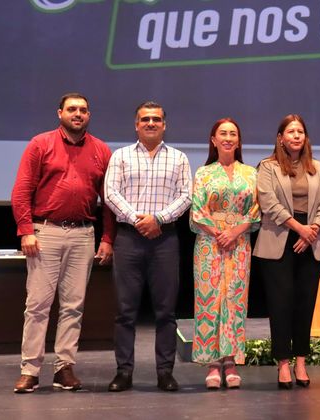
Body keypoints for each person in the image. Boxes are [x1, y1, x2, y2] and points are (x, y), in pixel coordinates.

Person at [10, 92, 115, 393]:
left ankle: (64, 368)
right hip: (46, 232)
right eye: (72, 109)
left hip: (83, 234)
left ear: (89, 116)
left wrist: (107, 238)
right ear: (60, 113)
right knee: (38, 305)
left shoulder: (101, 151)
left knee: (73, 306)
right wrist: (26, 230)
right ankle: (30, 370)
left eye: (83, 110)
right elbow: (21, 191)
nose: (78, 114)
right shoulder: (40, 144)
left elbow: (108, 202)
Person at [103, 101, 192, 392]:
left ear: (164, 124)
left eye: (156, 119)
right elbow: (110, 193)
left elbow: (186, 196)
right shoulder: (121, 156)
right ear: (136, 124)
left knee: (165, 312)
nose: (150, 123)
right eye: (145, 119)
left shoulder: (178, 158)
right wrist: (137, 219)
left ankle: (165, 372)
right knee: (125, 312)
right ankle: (123, 372)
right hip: (128, 238)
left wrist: (159, 219)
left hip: (165, 238)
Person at [253, 114, 320, 389]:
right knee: (281, 305)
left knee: (305, 304)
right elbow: (268, 203)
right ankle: (283, 363)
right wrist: (300, 229)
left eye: (300, 131)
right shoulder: (267, 167)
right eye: (291, 131)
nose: (296, 136)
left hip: (311, 241)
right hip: (279, 240)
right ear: (281, 138)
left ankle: (300, 361)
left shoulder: (317, 168)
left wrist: (312, 231)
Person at [190, 118, 260, 389]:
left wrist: (235, 232)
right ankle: (211, 362)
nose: (228, 138)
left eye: (233, 134)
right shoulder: (204, 173)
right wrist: (219, 233)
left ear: (239, 141)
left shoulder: (250, 173)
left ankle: (230, 360)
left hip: (239, 242)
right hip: (209, 243)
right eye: (223, 134)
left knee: (235, 299)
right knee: (208, 299)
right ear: (213, 140)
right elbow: (197, 211)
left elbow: (256, 211)